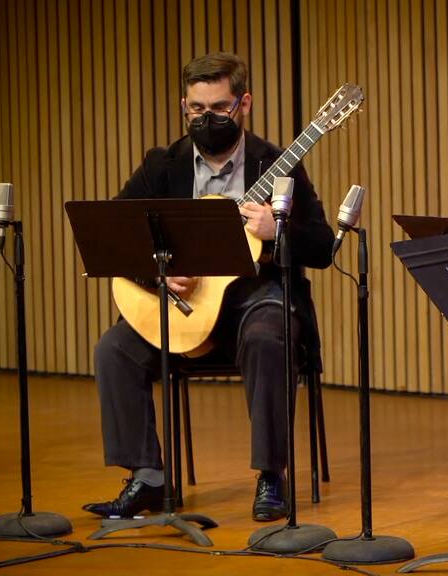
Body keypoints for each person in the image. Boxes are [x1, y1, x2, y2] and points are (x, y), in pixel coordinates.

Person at [82, 52, 334, 522]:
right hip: (183, 304)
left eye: (219, 108)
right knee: (113, 349)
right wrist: (157, 274)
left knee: (268, 337)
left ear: (244, 104)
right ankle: (148, 477)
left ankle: (271, 476)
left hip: (255, 302)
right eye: (197, 109)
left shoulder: (277, 165)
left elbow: (322, 246)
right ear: (184, 106)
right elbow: (116, 236)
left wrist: (278, 231)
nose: (207, 118)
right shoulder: (163, 165)